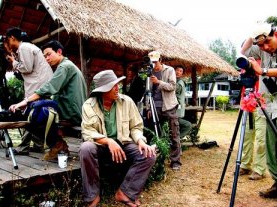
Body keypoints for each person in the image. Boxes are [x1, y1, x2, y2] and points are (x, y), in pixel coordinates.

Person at [79, 70, 156, 207]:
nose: (117, 88)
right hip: (100, 146)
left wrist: (140, 141)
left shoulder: (127, 101)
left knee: (148, 154)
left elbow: (136, 126)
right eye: (113, 86)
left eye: (117, 84)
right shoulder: (89, 105)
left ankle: (125, 193)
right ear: (102, 90)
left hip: (124, 145)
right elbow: (87, 132)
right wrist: (108, 141)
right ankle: (92, 196)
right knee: (86, 148)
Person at [241, 22, 277, 206]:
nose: (265, 48)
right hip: (269, 106)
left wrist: (262, 70)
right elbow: (243, 53)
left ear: (276, 33)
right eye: (260, 45)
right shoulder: (262, 48)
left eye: (267, 42)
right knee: (271, 150)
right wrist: (253, 34)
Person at [9, 40, 87, 160]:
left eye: (49, 54)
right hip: (70, 109)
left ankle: (57, 143)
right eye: (44, 56)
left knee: (35, 112)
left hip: (70, 112)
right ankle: (57, 143)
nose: (46, 58)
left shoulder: (65, 66)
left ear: (59, 52)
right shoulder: (67, 66)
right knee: (34, 109)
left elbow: (48, 88)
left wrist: (24, 102)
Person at [4, 27, 53, 154]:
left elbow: (26, 67)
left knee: (29, 114)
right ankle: (38, 144)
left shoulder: (24, 47)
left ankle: (23, 147)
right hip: (40, 85)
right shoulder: (28, 47)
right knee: (35, 116)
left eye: (7, 40)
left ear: (12, 38)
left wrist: (14, 62)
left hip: (38, 86)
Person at [147, 50, 182, 170]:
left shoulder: (169, 70)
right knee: (155, 134)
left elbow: (172, 87)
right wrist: (148, 107)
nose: (154, 64)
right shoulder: (149, 72)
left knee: (174, 134)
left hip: (169, 106)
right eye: (152, 62)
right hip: (155, 107)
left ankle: (175, 161)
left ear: (161, 60)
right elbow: (148, 91)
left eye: (156, 62)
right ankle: (157, 160)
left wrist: (159, 82)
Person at [239, 110, 267, 180]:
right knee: (245, 138)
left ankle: (259, 169)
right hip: (247, 108)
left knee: (261, 141)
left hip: (262, 108)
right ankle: (245, 165)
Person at [175, 65, 192, 139]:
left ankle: (176, 139)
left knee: (186, 125)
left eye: (180, 71)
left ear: (182, 74)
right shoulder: (176, 81)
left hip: (176, 110)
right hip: (176, 109)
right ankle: (175, 139)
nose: (178, 72)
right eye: (177, 70)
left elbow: (173, 91)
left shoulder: (179, 82)